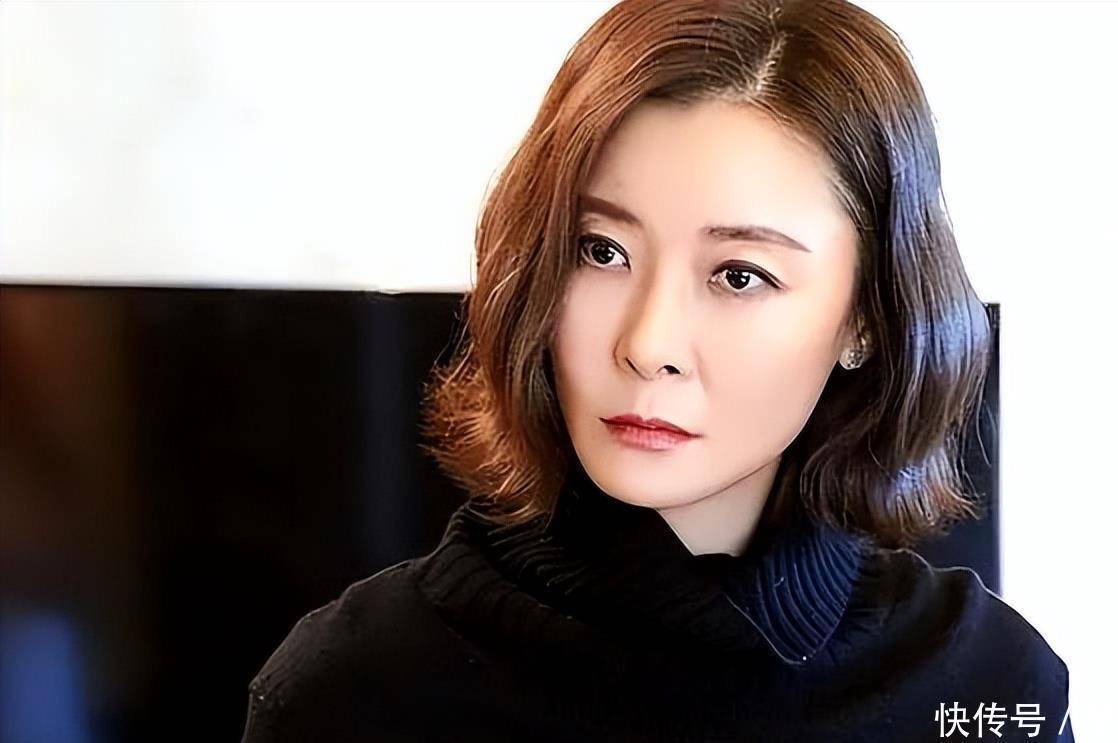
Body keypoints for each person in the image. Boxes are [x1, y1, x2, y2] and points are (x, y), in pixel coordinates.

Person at [242, 0, 1073, 740]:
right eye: (601, 251)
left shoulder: (987, 686)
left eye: (738, 275)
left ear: (866, 317)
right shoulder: (354, 693)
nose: (648, 343)